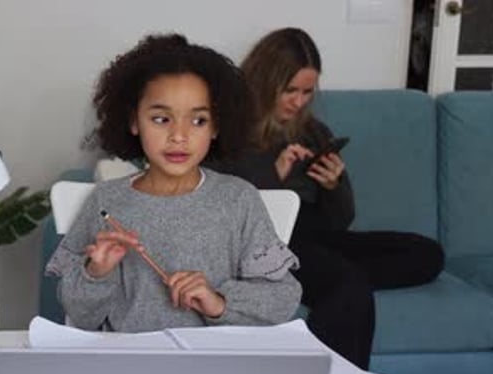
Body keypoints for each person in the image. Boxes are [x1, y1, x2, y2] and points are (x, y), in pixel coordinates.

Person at [216, 27, 443, 369]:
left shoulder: (314, 131)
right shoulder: (230, 133)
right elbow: (227, 213)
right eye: (290, 90)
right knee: (347, 286)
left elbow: (340, 222)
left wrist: (333, 186)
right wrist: (274, 175)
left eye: (307, 92)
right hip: (274, 244)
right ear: (264, 84)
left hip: (319, 237)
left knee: (426, 253)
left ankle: (328, 276)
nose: (299, 102)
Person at [45, 34, 301, 333]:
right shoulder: (107, 201)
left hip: (212, 359)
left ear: (217, 126)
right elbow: (80, 316)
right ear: (134, 121)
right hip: (128, 358)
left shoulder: (238, 200)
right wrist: (97, 272)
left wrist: (218, 302)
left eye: (198, 120)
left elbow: (283, 297)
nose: (179, 136)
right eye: (161, 119)